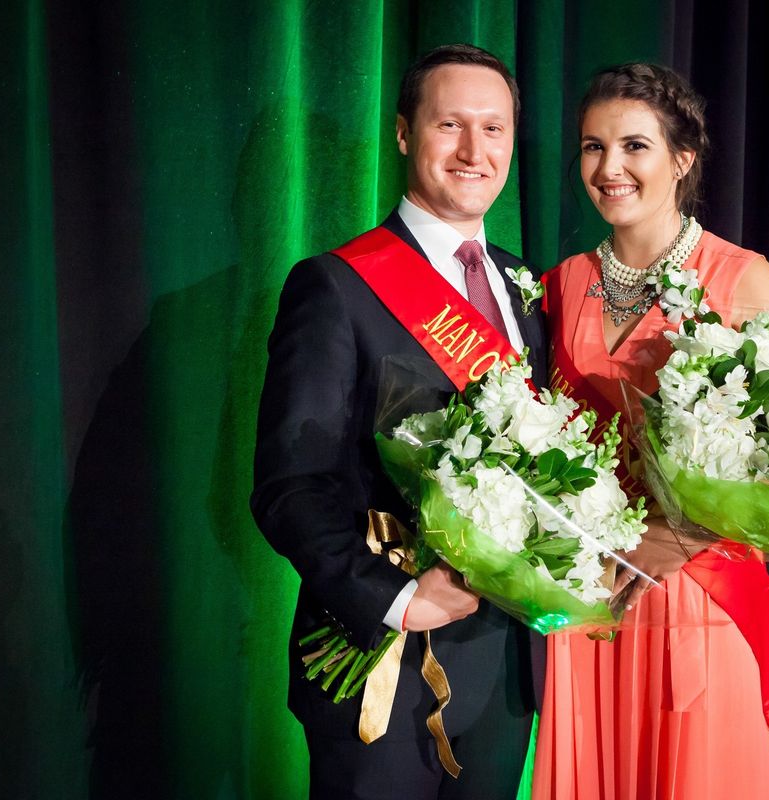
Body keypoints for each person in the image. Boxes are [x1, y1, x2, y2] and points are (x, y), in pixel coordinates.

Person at [251, 44, 547, 799]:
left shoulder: (524, 286)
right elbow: (290, 485)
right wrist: (394, 599)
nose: (475, 151)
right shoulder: (335, 286)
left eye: (495, 129)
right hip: (380, 656)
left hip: (506, 661)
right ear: (405, 133)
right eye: (451, 124)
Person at [532, 63, 769, 799]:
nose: (610, 167)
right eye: (593, 148)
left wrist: (673, 539)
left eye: (635, 146)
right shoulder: (561, 285)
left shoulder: (741, 279)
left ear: (681, 159)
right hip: (590, 603)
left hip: (697, 597)